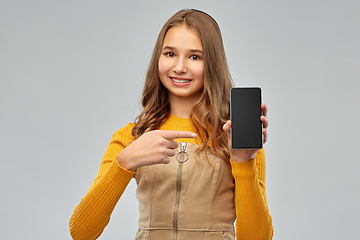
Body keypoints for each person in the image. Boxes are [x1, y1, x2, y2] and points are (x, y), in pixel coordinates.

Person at [69, 9, 273, 240]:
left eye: (195, 56)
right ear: (158, 58)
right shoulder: (131, 137)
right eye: (170, 54)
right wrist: (125, 162)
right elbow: (81, 233)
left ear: (212, 63)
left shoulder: (236, 139)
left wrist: (243, 161)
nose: (179, 67)